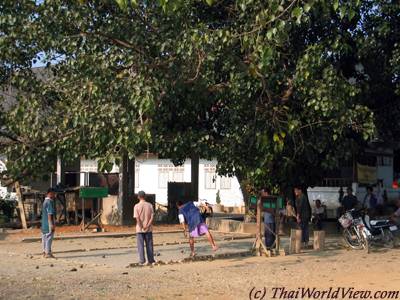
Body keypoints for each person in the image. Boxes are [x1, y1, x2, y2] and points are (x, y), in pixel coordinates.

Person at [133, 191, 155, 265]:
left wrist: (141, 226)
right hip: (148, 229)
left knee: (140, 245)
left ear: (138, 197)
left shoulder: (136, 206)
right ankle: (151, 260)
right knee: (149, 244)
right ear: (145, 196)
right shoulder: (150, 205)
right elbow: (152, 217)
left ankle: (142, 260)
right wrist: (147, 226)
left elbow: (137, 218)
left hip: (139, 229)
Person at [41, 188, 56, 258]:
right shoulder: (50, 202)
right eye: (53, 193)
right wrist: (51, 224)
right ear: (50, 193)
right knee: (49, 237)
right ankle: (48, 253)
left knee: (44, 237)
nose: (54, 195)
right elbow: (50, 213)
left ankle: (44, 252)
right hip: (48, 222)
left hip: (44, 223)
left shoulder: (44, 201)